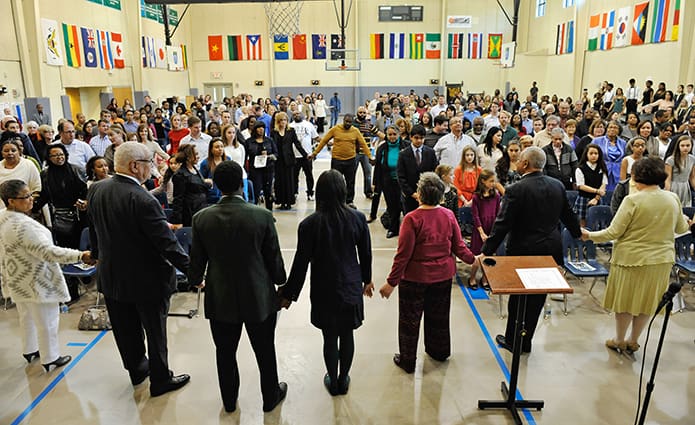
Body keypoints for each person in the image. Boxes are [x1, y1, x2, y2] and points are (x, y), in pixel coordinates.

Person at [87, 142, 191, 397]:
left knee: (126, 331)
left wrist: (98, 255)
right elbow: (167, 244)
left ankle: (137, 370)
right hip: (148, 281)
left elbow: (96, 230)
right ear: (135, 166)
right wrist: (194, 271)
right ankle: (160, 380)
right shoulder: (142, 198)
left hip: (112, 277)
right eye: (150, 163)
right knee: (156, 333)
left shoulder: (97, 190)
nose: (153, 168)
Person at [187, 160, 287, 413]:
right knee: (265, 351)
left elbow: (196, 263)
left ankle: (230, 402)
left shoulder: (201, 219)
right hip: (258, 296)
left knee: (225, 353)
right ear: (242, 182)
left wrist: (196, 278)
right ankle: (270, 397)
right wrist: (280, 281)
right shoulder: (262, 216)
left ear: (217, 185)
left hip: (220, 297)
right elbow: (274, 259)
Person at [582, 157, 689, 354]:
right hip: (661, 260)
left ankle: (619, 339)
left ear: (636, 176)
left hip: (631, 259)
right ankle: (633, 340)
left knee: (625, 302)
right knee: (646, 302)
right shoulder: (672, 197)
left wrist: (588, 235)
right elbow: (682, 227)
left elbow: (613, 232)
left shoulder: (632, 200)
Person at [281, 170, 373, 396]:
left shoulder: (309, 224)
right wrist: (367, 280)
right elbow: (366, 254)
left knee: (329, 337)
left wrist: (288, 294)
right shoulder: (358, 218)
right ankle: (344, 379)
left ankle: (332, 380)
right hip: (350, 285)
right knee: (347, 334)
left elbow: (300, 264)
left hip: (324, 287)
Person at [481, 147, 581, 354]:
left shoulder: (516, 189)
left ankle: (513, 340)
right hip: (550, 250)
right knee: (537, 298)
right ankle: (526, 341)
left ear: (526, 164)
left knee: (518, 299)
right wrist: (578, 233)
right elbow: (568, 215)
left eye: (519, 160)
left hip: (523, 251)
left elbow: (502, 224)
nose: (516, 162)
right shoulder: (557, 185)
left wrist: (487, 251)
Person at [379, 172, 476, 373]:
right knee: (439, 317)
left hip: (415, 279)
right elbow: (459, 247)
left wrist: (391, 282)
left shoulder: (412, 219)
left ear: (419, 194)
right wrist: (474, 260)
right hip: (442, 277)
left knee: (409, 321)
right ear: (441, 196)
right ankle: (439, 351)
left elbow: (403, 255)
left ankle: (408, 360)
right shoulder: (448, 216)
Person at [0, 180, 91, 371]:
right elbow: (48, 252)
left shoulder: (3, 217)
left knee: (26, 317)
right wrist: (80, 255)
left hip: (16, 277)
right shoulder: (24, 226)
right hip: (36, 279)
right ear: (11, 201)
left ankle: (30, 349)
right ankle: (50, 357)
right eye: (25, 197)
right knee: (47, 321)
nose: (31, 200)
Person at [309, 114, 373, 207]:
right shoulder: (335, 129)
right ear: (343, 120)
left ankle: (349, 201)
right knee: (334, 182)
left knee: (350, 182)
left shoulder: (355, 131)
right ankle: (335, 201)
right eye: (346, 121)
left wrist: (370, 156)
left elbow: (363, 144)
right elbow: (324, 141)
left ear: (352, 123)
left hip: (350, 160)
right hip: (337, 160)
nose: (348, 123)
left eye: (350, 122)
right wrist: (315, 153)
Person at [374, 125, 408, 238]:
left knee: (404, 206)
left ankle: (409, 230)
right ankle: (393, 229)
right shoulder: (382, 148)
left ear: (399, 134)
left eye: (394, 134)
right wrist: (375, 183)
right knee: (392, 206)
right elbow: (378, 167)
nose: (392, 137)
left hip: (403, 182)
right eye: (390, 134)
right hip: (387, 182)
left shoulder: (406, 146)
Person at [468, 169, 500, 288]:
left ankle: (485, 279)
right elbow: (475, 216)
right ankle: (472, 278)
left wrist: (494, 232)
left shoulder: (496, 195)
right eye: (491, 181)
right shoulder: (476, 197)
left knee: (489, 256)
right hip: (480, 229)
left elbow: (498, 214)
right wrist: (481, 233)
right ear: (483, 181)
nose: (493, 183)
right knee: (477, 256)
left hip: (491, 228)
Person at [397, 125, 438, 215]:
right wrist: (412, 193)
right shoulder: (403, 154)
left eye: (422, 138)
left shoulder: (430, 152)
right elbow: (401, 177)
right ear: (411, 137)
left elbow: (434, 173)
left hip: (427, 194)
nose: (419, 140)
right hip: (410, 196)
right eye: (416, 138)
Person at [271, 111, 307, 210]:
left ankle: (289, 202)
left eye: (285, 120)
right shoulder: (274, 132)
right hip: (278, 160)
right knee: (280, 181)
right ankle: (281, 201)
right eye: (281, 120)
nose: (283, 122)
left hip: (289, 159)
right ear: (278, 121)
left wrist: (305, 154)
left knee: (289, 181)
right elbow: (272, 145)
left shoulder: (291, 131)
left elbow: (297, 144)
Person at [170, 144, 210, 228]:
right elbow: (178, 199)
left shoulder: (195, 169)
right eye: (196, 154)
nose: (198, 157)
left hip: (201, 209)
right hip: (189, 214)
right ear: (188, 157)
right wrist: (178, 221)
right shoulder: (180, 175)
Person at [574, 144, 608, 227]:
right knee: (582, 223)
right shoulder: (580, 168)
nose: (594, 156)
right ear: (586, 154)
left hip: (597, 198)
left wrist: (596, 198)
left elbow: (604, 184)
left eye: (596, 153)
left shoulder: (602, 167)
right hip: (584, 198)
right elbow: (581, 185)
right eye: (591, 153)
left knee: (597, 224)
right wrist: (596, 191)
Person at [0, 140, 41, 209]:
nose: (10, 153)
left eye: (13, 150)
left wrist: (29, 206)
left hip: (25, 207)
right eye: (6, 151)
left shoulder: (29, 165)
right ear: (2, 153)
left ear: (19, 152)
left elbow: (36, 188)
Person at [664, 135, 695, 207]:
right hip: (674, 186)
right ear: (678, 146)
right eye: (682, 145)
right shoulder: (670, 160)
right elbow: (667, 179)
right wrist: (667, 193)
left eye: (688, 145)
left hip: (685, 186)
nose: (685, 148)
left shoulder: (692, 159)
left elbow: (692, 177)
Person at [199, 138, 231, 205]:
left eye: (222, 146)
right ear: (211, 150)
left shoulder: (228, 160)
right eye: (217, 147)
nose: (220, 149)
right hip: (212, 198)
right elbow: (201, 180)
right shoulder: (205, 163)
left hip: (227, 196)